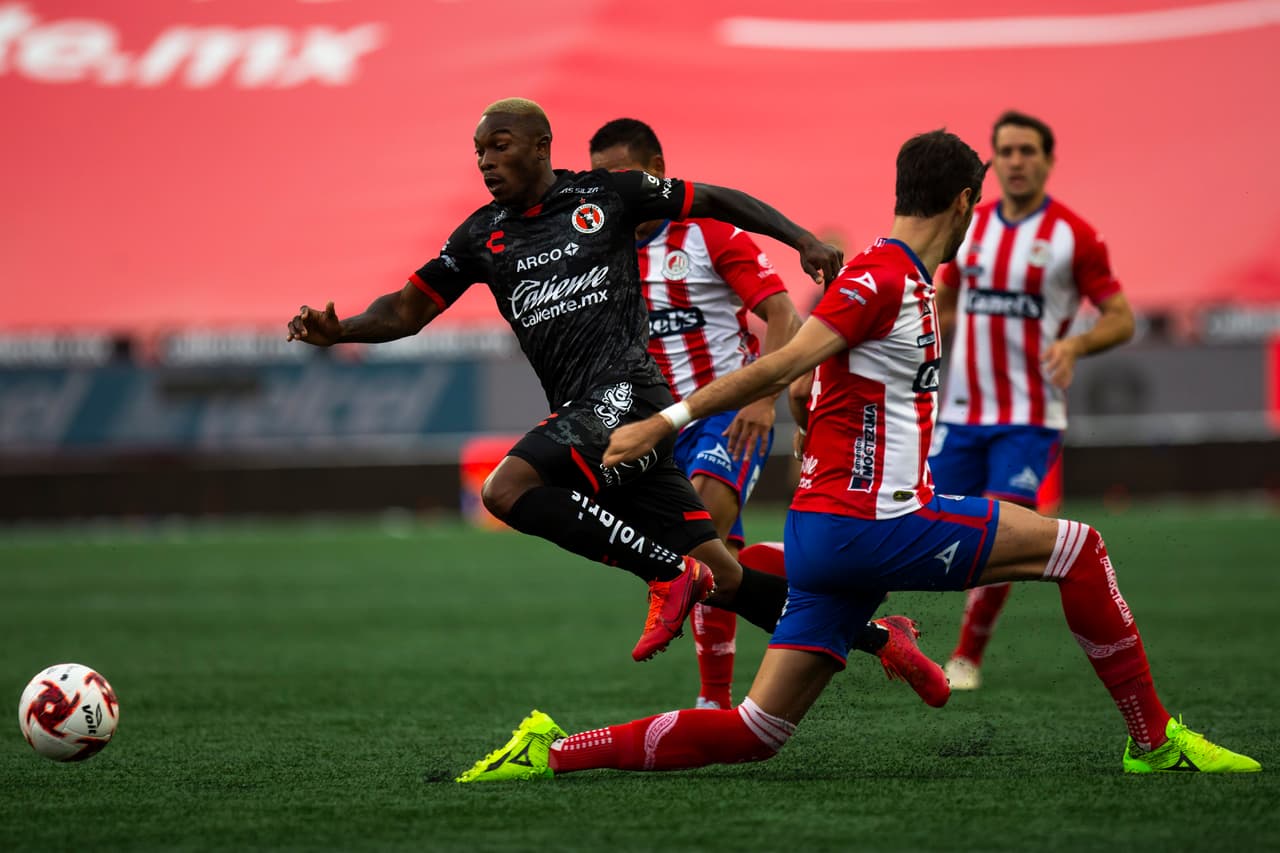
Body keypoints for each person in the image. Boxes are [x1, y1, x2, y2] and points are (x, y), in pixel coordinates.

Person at [456, 129, 1260, 781]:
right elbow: (782, 363)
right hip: (875, 522)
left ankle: (551, 750)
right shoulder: (881, 276)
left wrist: (811, 424)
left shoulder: (907, 277)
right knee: (1081, 549)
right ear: (964, 201)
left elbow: (810, 385)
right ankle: (1153, 743)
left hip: (835, 537)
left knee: (757, 729)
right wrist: (665, 420)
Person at [285, 98, 931, 681]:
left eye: (500, 144)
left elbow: (715, 198)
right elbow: (405, 309)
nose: (486, 160)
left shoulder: (609, 195)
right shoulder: (481, 236)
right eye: (479, 150)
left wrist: (800, 239)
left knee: (505, 488)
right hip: (595, 416)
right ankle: (881, 637)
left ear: (542, 145)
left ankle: (667, 573)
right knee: (727, 579)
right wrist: (340, 328)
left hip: (627, 393)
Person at [932, 111, 1136, 691]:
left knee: (1006, 531)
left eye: (1027, 151)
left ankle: (967, 655)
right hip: (960, 413)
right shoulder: (969, 227)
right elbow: (944, 302)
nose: (1017, 162)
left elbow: (1121, 319)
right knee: (910, 520)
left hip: (1028, 418)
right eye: (1007, 152)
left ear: (1048, 159)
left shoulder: (1074, 235)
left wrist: (1076, 343)